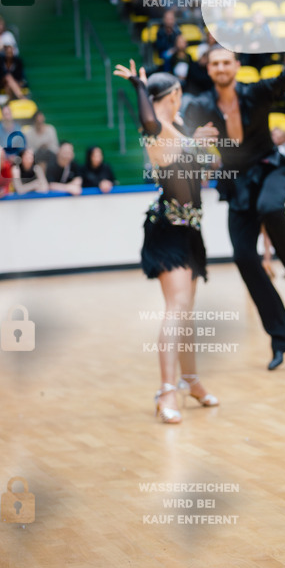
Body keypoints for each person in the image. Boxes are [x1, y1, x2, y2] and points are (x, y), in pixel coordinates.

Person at [182, 47, 285, 370]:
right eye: (215, 63)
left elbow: (284, 78)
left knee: (270, 207)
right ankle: (280, 339)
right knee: (243, 257)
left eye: (226, 62)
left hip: (269, 170)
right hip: (236, 183)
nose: (221, 67)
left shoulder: (255, 92)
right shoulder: (201, 105)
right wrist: (195, 138)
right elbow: (183, 136)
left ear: (237, 66)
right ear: (209, 70)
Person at [114, 61, 219, 424]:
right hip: (168, 230)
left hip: (190, 230)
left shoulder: (177, 127)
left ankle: (190, 380)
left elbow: (199, 169)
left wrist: (202, 147)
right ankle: (166, 391)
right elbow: (148, 120)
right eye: (179, 94)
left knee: (186, 312)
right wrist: (139, 87)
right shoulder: (156, 130)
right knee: (176, 309)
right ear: (174, 94)